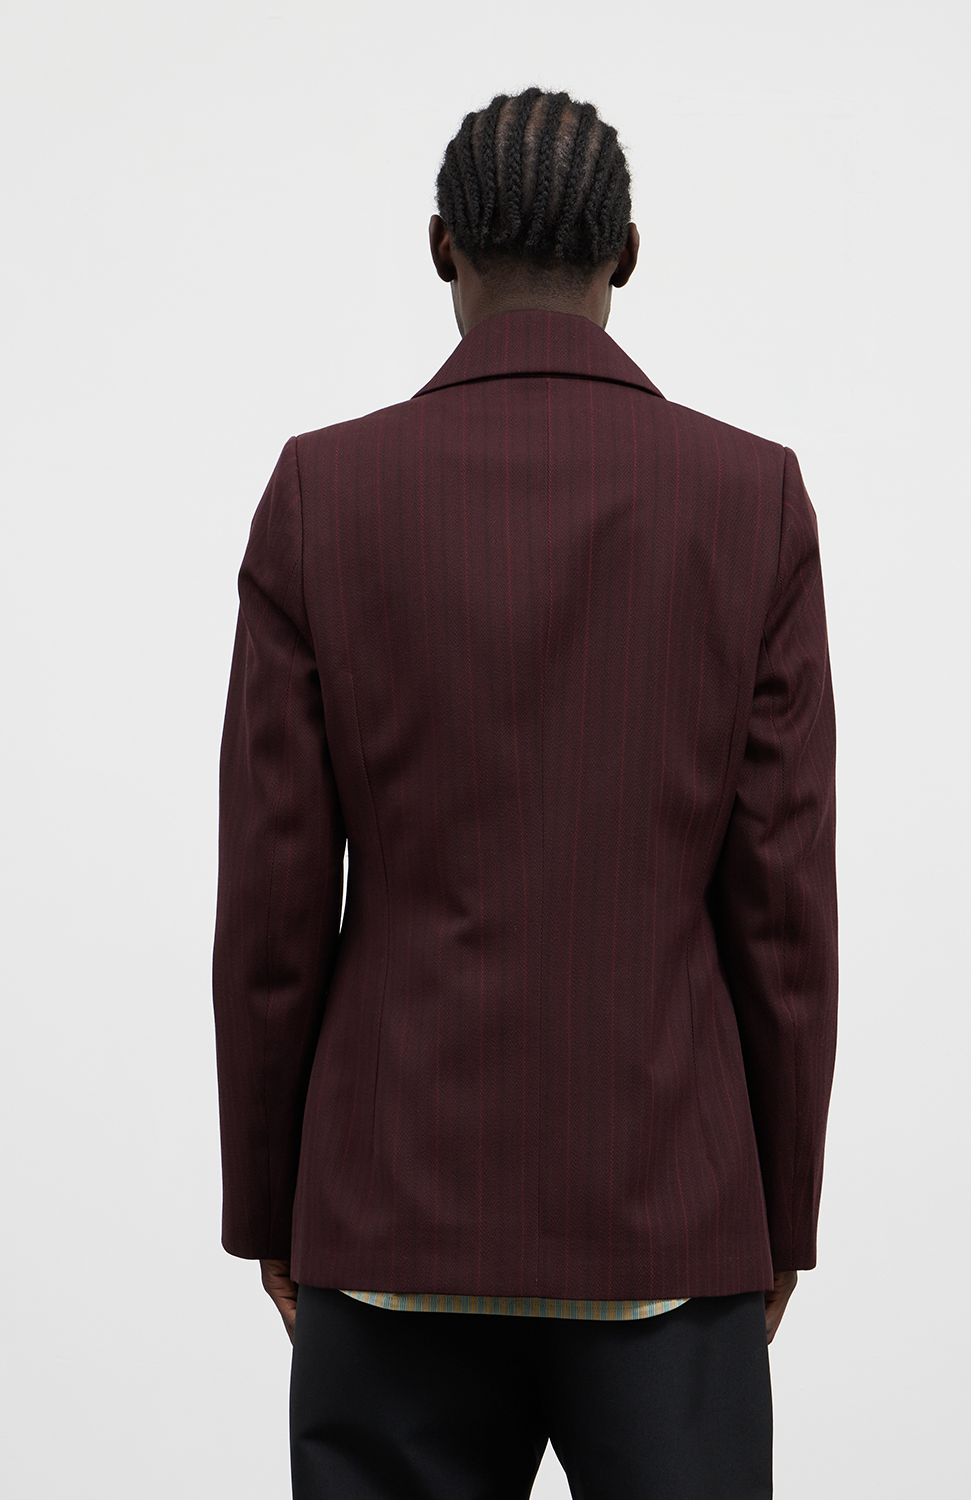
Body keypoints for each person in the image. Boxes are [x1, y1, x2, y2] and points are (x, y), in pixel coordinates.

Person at [212, 85, 837, 1500]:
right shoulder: (750, 499)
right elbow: (784, 912)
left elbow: (272, 906)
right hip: (672, 1226)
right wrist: (778, 1216)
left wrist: (272, 1205)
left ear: (442, 246)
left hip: (389, 1223)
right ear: (628, 254)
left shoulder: (324, 494)